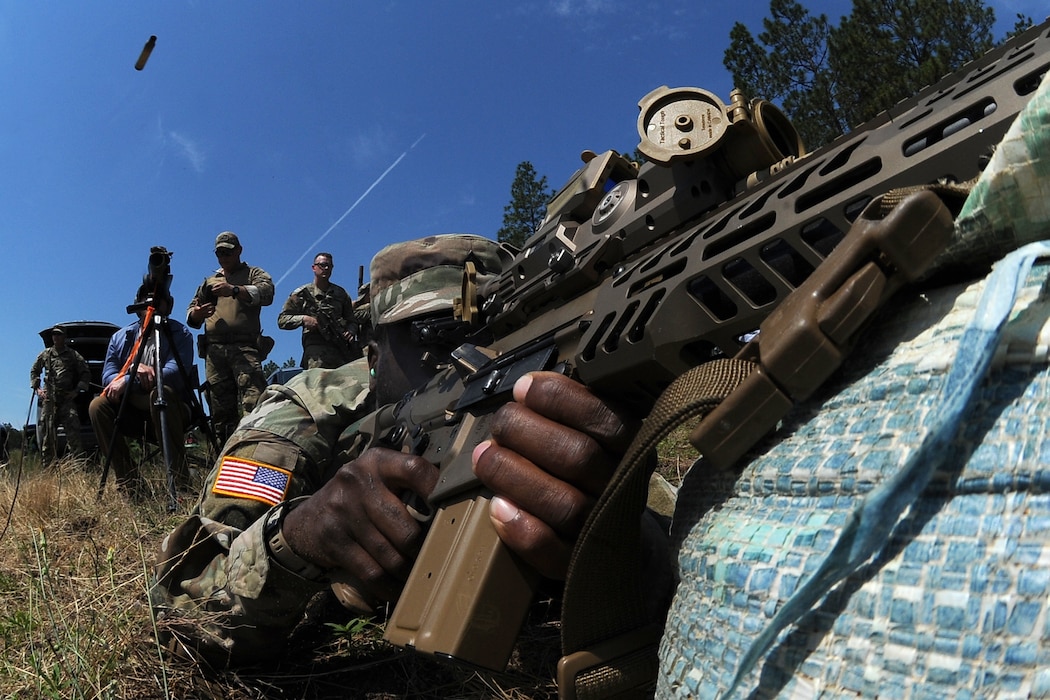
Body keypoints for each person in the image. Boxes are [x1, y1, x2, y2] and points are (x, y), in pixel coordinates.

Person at [151, 233, 643, 667]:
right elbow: (181, 614)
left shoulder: (535, 398)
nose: (463, 360)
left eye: (486, 332)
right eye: (429, 333)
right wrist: (300, 539)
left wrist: (619, 531)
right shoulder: (304, 416)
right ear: (372, 352)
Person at [90, 284, 196, 496]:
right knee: (97, 406)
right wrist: (131, 371)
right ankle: (130, 483)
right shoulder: (121, 337)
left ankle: (181, 484)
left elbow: (174, 374)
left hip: (172, 407)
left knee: (161, 394)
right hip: (132, 410)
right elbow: (108, 376)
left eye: (158, 299)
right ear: (138, 303)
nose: (152, 304)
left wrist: (129, 380)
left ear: (169, 305)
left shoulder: (180, 333)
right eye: (147, 299)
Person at [186, 231, 275, 445]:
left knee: (254, 403)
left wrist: (234, 289)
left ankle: (255, 450)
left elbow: (266, 293)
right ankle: (225, 458)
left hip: (244, 348)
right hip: (215, 353)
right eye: (220, 253)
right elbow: (191, 313)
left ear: (239, 251)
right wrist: (198, 313)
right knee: (220, 412)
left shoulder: (253, 273)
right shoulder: (209, 281)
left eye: (228, 252)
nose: (224, 257)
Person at [277, 251, 361, 369]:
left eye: (329, 266)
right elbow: (282, 320)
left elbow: (352, 320)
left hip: (340, 352)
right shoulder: (301, 293)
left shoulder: (341, 294)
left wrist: (351, 331)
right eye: (322, 265)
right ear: (314, 267)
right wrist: (304, 319)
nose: (326, 268)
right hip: (315, 353)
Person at [30, 325, 91, 464]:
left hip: (66, 399)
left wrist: (77, 391)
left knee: (74, 435)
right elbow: (34, 371)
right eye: (54, 334)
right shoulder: (45, 354)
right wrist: (37, 389)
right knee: (48, 437)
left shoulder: (73, 355)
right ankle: (48, 471)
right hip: (49, 399)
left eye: (59, 334)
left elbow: (86, 373)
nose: (56, 337)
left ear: (64, 337)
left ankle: (78, 470)